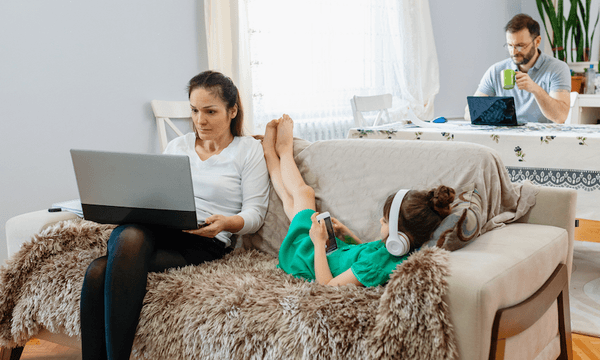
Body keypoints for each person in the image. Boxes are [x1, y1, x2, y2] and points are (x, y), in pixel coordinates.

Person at [79, 71, 270, 360]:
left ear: (232, 111)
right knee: (128, 234)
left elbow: (255, 213)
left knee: (98, 271)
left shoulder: (248, 150)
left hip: (204, 239)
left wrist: (228, 222)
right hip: (157, 229)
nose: (200, 120)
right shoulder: (177, 146)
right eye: (194, 111)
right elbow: (156, 195)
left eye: (210, 111)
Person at [262, 115, 455, 287]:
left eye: (386, 221)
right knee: (292, 202)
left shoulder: (377, 267)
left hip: (304, 258)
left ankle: (282, 151)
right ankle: (272, 154)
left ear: (401, 237)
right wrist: (347, 234)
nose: (381, 221)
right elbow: (364, 255)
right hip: (325, 250)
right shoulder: (394, 250)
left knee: (304, 194)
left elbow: (328, 285)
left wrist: (319, 243)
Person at [465, 13, 571, 124]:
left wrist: (535, 89)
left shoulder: (557, 68)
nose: (514, 52)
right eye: (510, 45)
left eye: (520, 45)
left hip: (540, 139)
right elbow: (469, 113)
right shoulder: (496, 71)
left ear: (537, 42)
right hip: (505, 137)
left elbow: (560, 117)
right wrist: (494, 113)